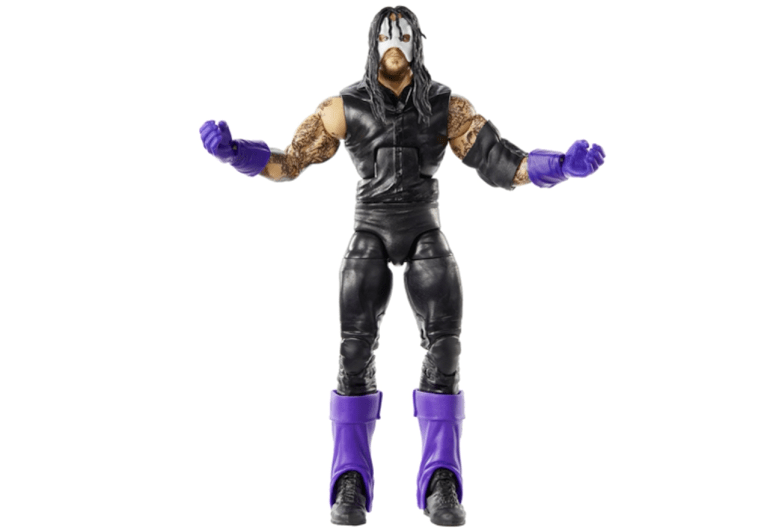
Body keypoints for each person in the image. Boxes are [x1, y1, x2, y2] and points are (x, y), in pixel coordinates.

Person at [200, 6, 605, 526]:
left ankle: (441, 478)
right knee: (353, 352)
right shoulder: (344, 107)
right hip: (370, 229)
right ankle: (350, 479)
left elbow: (501, 161)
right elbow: (291, 161)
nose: (395, 42)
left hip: (423, 228)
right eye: (386, 34)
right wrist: (237, 153)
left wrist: (560, 167)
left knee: (446, 349)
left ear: (417, 41)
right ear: (373, 43)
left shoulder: (445, 106)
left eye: (404, 33)